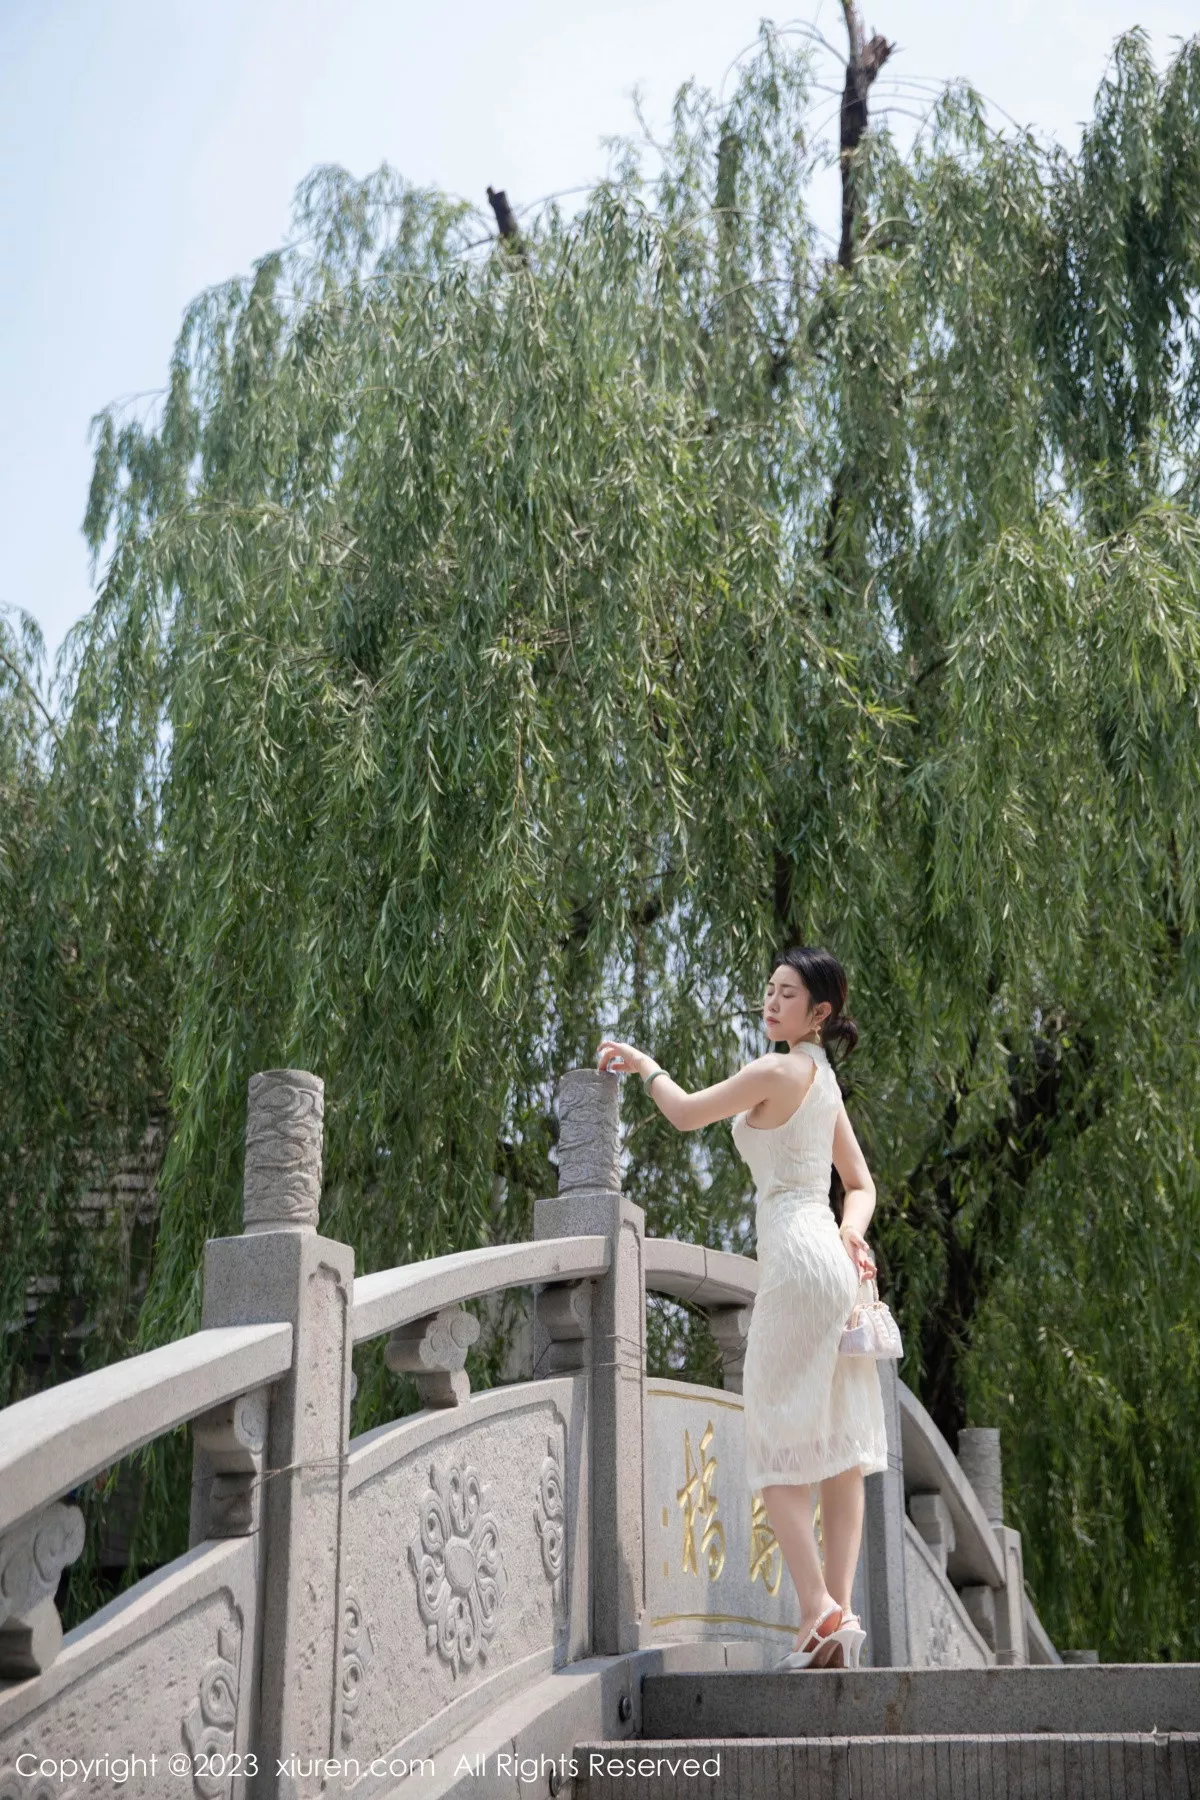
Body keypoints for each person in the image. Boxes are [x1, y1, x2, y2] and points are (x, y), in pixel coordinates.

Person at [596, 944, 889, 1671]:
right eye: (769, 990)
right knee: (840, 1446)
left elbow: (685, 1114)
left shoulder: (776, 1071)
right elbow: (860, 1185)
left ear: (819, 1013)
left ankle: (816, 1608)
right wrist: (852, 1235)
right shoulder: (824, 1080)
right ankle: (838, 1616)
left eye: (787, 994)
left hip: (793, 1255)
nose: (771, 1002)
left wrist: (645, 1064)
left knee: (773, 1433)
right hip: (835, 1262)